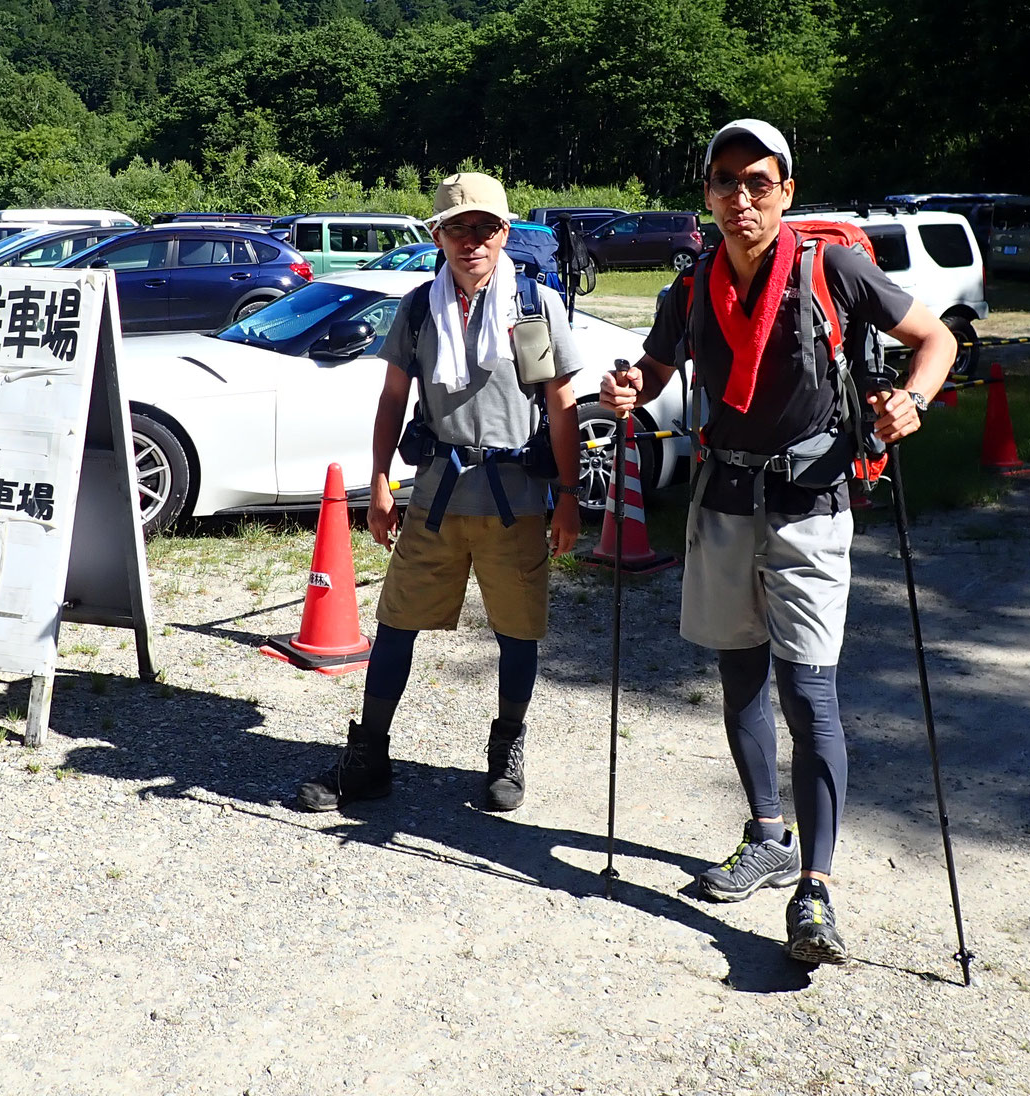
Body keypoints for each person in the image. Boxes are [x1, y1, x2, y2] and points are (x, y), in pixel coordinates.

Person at [600, 120, 955, 965]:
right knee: (739, 675)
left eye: (757, 181)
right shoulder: (689, 289)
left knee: (808, 692)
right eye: (724, 182)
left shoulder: (830, 268)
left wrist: (914, 402)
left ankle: (817, 893)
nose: (740, 197)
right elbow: (654, 370)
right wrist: (629, 389)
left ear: (786, 190)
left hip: (810, 503)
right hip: (722, 498)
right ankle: (768, 834)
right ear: (710, 195)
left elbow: (935, 338)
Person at [297, 172, 584, 814]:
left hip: (515, 500)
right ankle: (368, 754)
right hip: (435, 498)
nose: (472, 240)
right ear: (439, 235)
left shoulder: (532, 307)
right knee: (396, 624)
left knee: (518, 634)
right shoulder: (421, 307)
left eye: (485, 227)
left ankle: (506, 747)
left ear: (504, 233)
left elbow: (560, 407)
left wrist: (568, 495)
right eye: (458, 227)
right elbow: (393, 398)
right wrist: (377, 482)